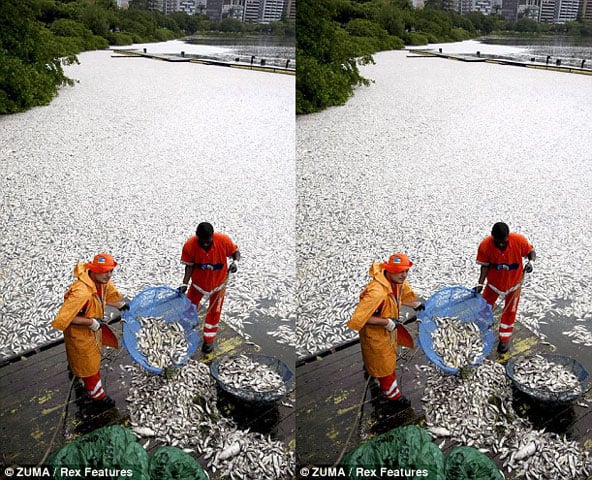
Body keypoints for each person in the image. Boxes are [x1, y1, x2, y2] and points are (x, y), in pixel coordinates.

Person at [52, 253, 129, 410]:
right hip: (79, 335)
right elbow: (65, 318)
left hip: (90, 331)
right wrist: (91, 322)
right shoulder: (81, 293)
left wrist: (120, 305)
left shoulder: (101, 281)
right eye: (104, 271)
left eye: (111, 271)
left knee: (79, 358)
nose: (108, 275)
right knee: (89, 365)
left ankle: (75, 368)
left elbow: (105, 296)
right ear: (93, 270)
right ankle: (97, 396)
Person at [347, 253, 424, 406]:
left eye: (406, 271)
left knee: (376, 359)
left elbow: (402, 296)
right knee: (386, 367)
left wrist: (415, 304)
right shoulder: (376, 293)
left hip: (388, 332)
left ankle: (370, 368)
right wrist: (386, 322)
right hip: (375, 335)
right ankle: (393, 397)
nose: (404, 275)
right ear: (389, 270)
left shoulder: (398, 282)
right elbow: (360, 318)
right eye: (400, 271)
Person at [473, 222, 536, 354]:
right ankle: (480, 329)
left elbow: (531, 252)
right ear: (492, 237)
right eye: (498, 242)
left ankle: (504, 339)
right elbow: (484, 266)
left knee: (510, 312)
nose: (501, 244)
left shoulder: (519, 240)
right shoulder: (485, 245)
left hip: (514, 284)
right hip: (493, 284)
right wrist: (480, 283)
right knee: (484, 306)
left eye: (504, 241)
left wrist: (530, 262)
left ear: (508, 236)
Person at [178, 222, 240, 354]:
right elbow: (189, 266)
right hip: (198, 284)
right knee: (189, 305)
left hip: (219, 284)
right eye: (202, 242)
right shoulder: (190, 245)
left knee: (214, 312)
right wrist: (184, 283)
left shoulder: (223, 241)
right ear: (197, 236)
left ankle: (209, 339)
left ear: (212, 236)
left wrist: (235, 262)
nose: (205, 244)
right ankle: (185, 327)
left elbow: (235, 252)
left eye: (208, 241)